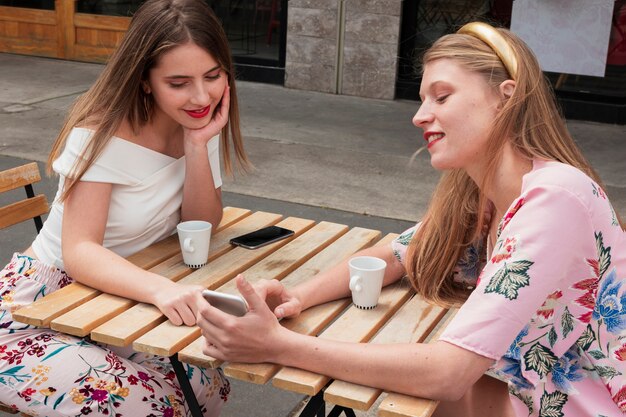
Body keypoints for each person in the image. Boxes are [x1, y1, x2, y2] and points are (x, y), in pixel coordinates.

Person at [196, 22, 626, 417]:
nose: (419, 115)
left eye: (441, 97)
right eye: (422, 99)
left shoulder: (554, 198)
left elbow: (448, 372)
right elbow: (396, 255)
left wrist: (279, 346)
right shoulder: (488, 198)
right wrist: (296, 297)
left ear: (506, 96)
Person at [0, 0, 249, 415]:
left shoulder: (197, 122)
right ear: (146, 80)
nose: (201, 95)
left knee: (207, 386)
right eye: (179, 82)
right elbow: (80, 251)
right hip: (36, 309)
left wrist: (196, 145)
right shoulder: (101, 132)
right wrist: (161, 290)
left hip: (112, 297)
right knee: (151, 406)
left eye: (213, 76)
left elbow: (201, 222)